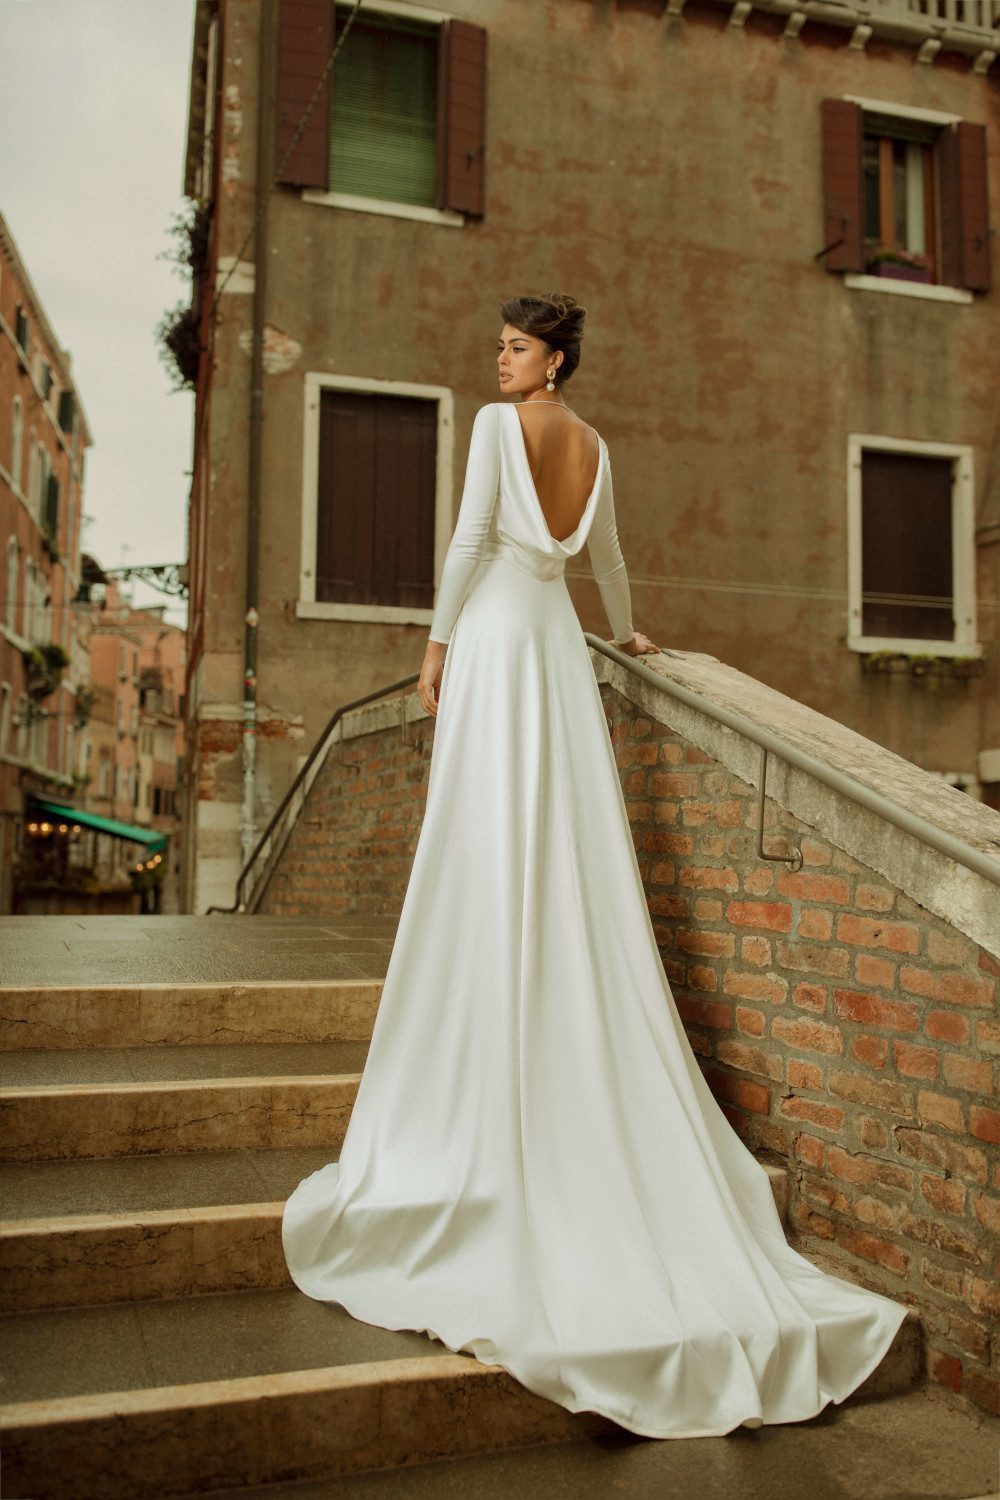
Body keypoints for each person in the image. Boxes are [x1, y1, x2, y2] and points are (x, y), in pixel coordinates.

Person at [281, 293, 909, 1439]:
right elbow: (609, 558)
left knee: (488, 840)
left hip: (498, 646)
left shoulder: (492, 427)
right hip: (560, 656)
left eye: (515, 348)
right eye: (501, 349)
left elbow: (470, 542)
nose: (500, 360)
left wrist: (432, 645)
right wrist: (622, 633)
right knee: (563, 845)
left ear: (552, 359)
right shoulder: (597, 446)